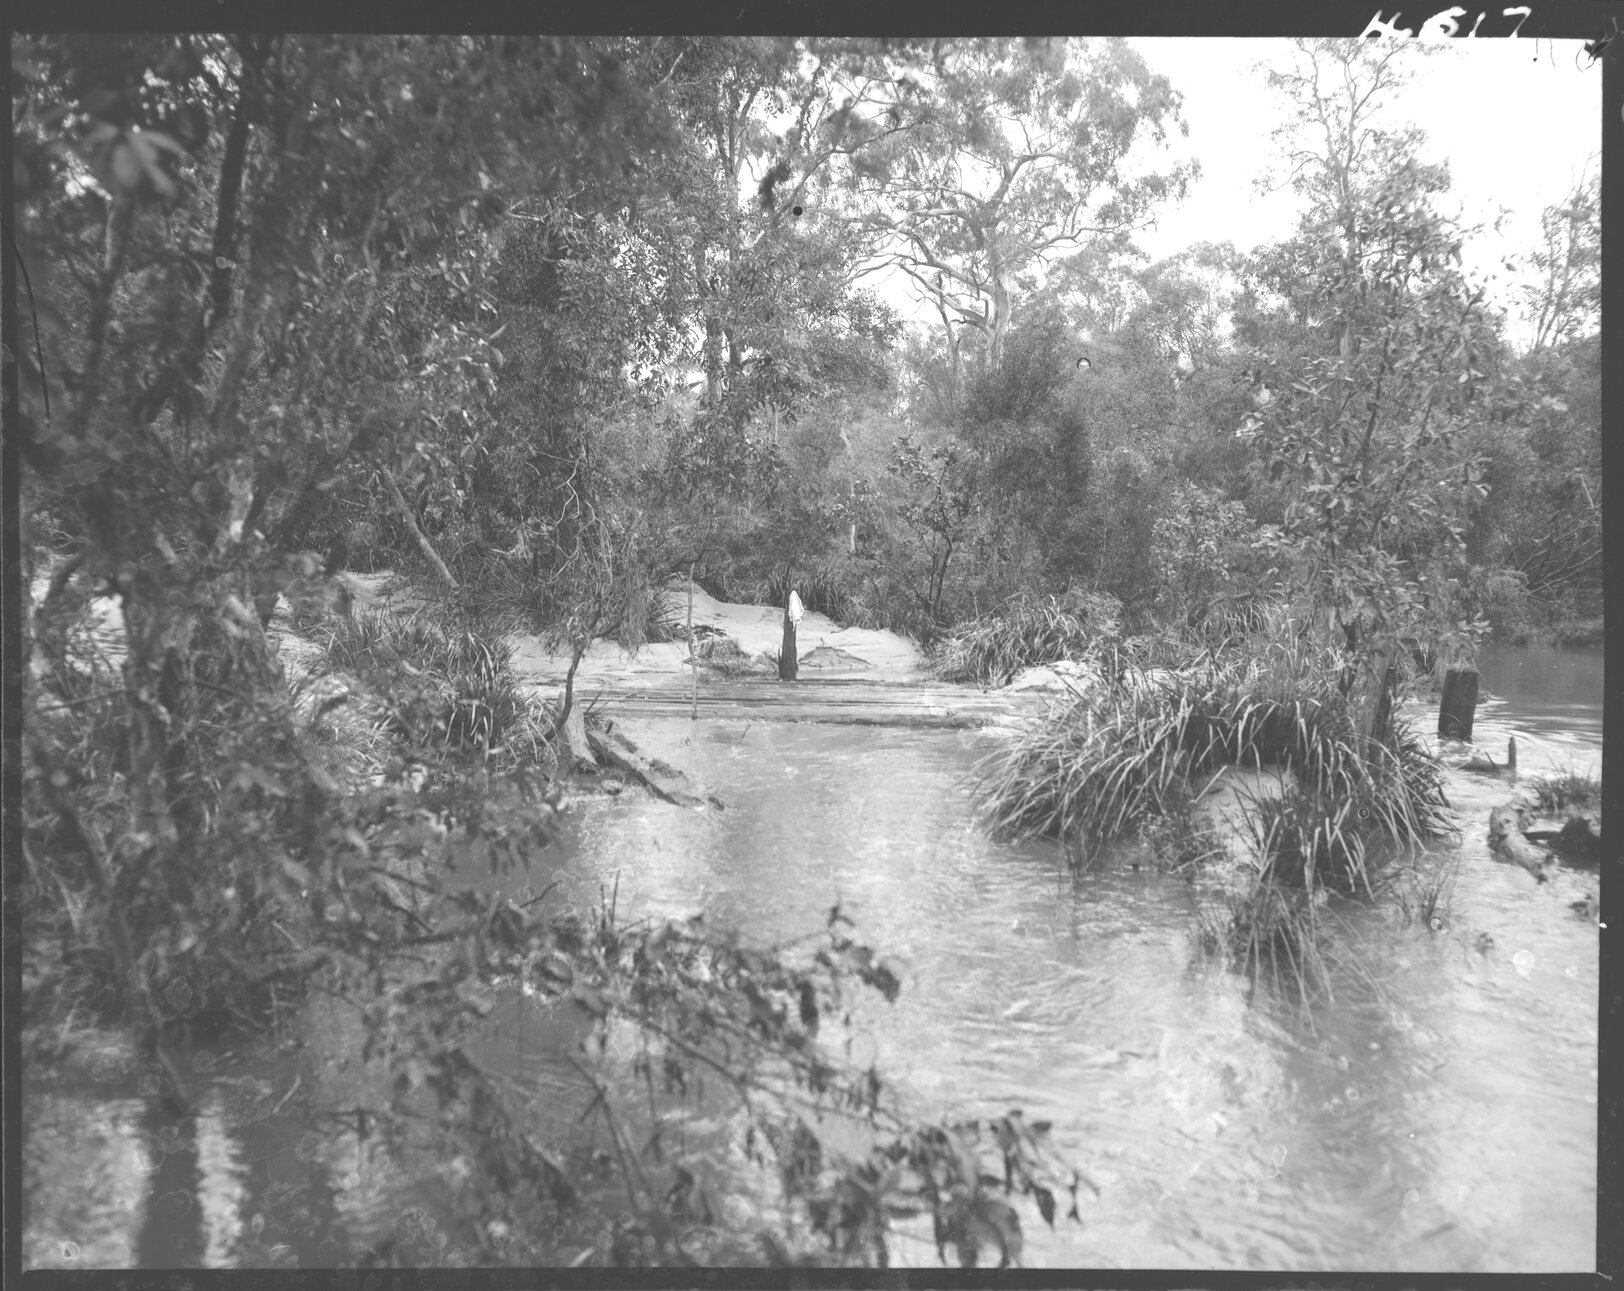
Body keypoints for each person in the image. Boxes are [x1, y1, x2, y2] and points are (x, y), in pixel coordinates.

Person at [779, 589, 803, 681]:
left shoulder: (792, 598)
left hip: (790, 629)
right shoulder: (788, 611)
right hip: (789, 629)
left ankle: (790, 670)